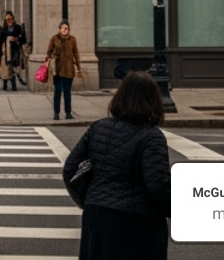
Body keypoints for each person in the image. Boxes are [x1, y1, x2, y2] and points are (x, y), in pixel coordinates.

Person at [63, 71, 171, 260]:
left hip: (96, 214)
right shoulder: (151, 137)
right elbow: (159, 185)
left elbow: (71, 169)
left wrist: (90, 198)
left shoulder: (99, 127)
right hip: (137, 221)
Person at [46, 21, 82, 121]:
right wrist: (54, 55)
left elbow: (76, 53)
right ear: (60, 29)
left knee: (67, 92)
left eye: (66, 28)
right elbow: (49, 52)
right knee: (57, 91)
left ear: (69, 29)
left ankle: (68, 113)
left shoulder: (72, 40)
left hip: (69, 69)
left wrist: (78, 68)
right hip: (58, 69)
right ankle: (56, 113)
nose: (64, 30)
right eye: (62, 28)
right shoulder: (55, 39)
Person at [0, 12, 26, 91]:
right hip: (5, 51)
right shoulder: (3, 29)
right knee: (5, 68)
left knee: (14, 67)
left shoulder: (17, 28)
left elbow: (23, 39)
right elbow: (0, 40)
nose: (10, 21)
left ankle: (14, 85)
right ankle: (5, 84)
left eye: (11, 19)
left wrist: (16, 39)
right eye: (8, 19)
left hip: (15, 50)